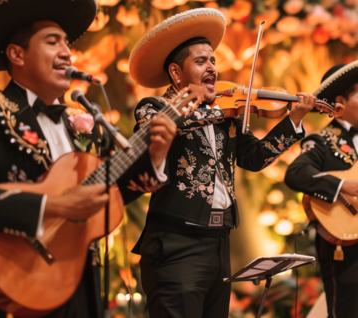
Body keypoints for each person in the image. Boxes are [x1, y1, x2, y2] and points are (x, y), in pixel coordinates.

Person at [128, 7, 317, 318]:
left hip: (219, 242)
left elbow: (255, 158)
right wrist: (215, 109)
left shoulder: (226, 114)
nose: (212, 67)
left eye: (213, 60)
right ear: (176, 73)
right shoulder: (155, 107)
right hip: (176, 244)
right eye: (201, 61)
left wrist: (293, 118)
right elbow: (157, 129)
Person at [0, 0, 178, 317]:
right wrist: (54, 205)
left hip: (82, 280)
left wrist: (156, 157)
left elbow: (114, 191)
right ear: (16, 54)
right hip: (14, 282)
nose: (68, 52)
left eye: (68, 43)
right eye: (52, 41)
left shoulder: (83, 123)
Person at [285, 61, 358, 318]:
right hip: (345, 245)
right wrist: (344, 185)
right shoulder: (322, 141)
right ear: (339, 102)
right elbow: (295, 174)